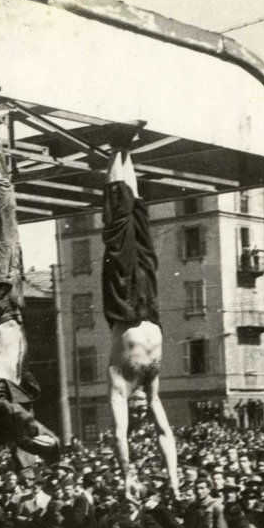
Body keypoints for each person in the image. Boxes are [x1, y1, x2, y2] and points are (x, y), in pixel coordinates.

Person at [0, 91, 61, 473]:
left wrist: (35, 436)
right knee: (2, 195)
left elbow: (14, 414)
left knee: (2, 193)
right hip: (4, 294)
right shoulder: (11, 390)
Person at [100, 131, 179, 499]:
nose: (141, 405)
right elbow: (166, 434)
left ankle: (113, 150)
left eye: (137, 408)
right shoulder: (151, 390)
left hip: (122, 306)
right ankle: (125, 148)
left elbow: (119, 435)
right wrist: (173, 480)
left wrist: (127, 474)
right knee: (141, 225)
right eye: (142, 407)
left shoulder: (120, 387)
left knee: (118, 229)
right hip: (150, 308)